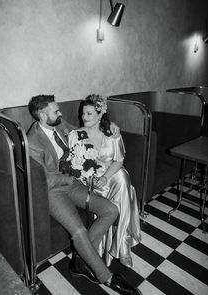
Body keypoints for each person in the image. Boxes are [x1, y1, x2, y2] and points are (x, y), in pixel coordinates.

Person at [27, 94, 142, 295]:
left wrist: (110, 124)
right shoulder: (32, 141)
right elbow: (43, 181)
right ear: (43, 115)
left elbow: (87, 126)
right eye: (55, 111)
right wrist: (72, 178)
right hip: (54, 192)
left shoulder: (60, 126)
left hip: (73, 184)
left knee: (111, 210)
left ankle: (80, 259)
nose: (60, 113)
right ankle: (106, 277)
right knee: (79, 231)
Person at [64, 94, 141, 269]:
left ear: (100, 114)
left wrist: (105, 177)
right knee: (123, 187)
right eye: (83, 114)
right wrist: (87, 176)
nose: (84, 117)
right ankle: (117, 246)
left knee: (122, 179)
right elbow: (72, 164)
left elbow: (119, 160)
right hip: (89, 181)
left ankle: (122, 247)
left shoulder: (111, 133)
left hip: (110, 175)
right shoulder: (76, 135)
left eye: (89, 114)